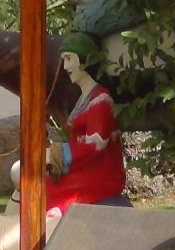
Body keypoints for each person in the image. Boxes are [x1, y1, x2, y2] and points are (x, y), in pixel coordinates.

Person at [44, 34, 128, 218]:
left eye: (69, 59)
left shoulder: (101, 100)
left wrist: (60, 153)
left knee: (47, 189)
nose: (65, 67)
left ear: (84, 60)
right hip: (86, 166)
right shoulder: (84, 98)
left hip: (102, 173)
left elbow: (95, 145)